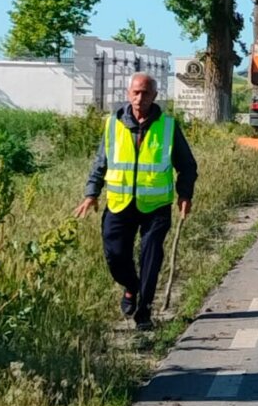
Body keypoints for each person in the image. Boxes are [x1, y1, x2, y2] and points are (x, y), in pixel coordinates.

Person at [73, 72, 197, 331]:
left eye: (146, 93)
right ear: (129, 93)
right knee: (115, 256)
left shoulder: (168, 127)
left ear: (155, 96)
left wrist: (185, 194)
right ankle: (131, 287)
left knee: (151, 255)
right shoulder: (112, 124)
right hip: (119, 203)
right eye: (136, 92)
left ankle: (145, 310)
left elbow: (187, 165)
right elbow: (101, 163)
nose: (140, 98)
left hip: (156, 206)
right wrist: (91, 194)